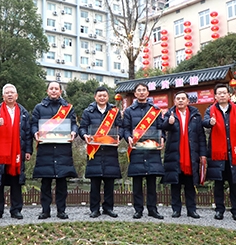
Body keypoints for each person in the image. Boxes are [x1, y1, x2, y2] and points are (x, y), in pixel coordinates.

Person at [0, 84, 32, 221]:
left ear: (16, 96)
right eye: (7, 93)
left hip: (17, 152)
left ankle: (16, 210)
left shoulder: (23, 112)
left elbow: (27, 133)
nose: (10, 95)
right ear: (3, 96)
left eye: (12, 93)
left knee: (16, 182)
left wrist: (28, 150)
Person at [202, 83, 236, 221]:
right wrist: (209, 122)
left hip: (234, 152)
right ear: (215, 96)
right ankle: (219, 210)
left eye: (224, 93)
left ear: (229, 95)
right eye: (219, 93)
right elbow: (204, 122)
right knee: (218, 183)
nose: (222, 95)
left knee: (234, 183)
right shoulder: (210, 109)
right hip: (218, 153)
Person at [31, 81, 78, 219]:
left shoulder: (68, 108)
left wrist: (74, 132)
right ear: (47, 91)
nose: (53, 91)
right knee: (45, 183)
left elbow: (74, 124)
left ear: (60, 91)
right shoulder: (39, 108)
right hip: (45, 149)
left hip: (63, 150)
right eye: (51, 88)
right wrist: (35, 133)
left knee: (62, 183)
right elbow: (33, 124)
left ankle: (61, 211)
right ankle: (45, 211)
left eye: (56, 89)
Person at [161, 91, 207, 218]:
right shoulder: (170, 114)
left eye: (183, 98)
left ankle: (191, 210)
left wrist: (203, 154)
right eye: (178, 99)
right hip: (175, 154)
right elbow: (162, 127)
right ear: (175, 101)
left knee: (190, 184)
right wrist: (169, 123)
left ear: (188, 101)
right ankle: (176, 210)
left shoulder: (195, 115)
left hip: (191, 154)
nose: (180, 101)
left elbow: (201, 136)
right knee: (175, 184)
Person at [122, 83, 165, 219]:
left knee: (152, 182)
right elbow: (125, 129)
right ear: (135, 94)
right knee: (137, 182)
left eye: (143, 90)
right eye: (138, 90)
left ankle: (153, 209)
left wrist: (162, 138)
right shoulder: (129, 111)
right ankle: (138, 210)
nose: (141, 92)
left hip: (152, 149)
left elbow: (161, 128)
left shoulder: (155, 110)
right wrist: (128, 137)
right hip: (136, 150)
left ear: (148, 93)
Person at [78, 86, 122, 218]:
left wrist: (119, 136)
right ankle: (94, 209)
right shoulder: (88, 112)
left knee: (109, 182)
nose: (102, 98)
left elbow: (121, 127)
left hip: (110, 150)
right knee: (95, 183)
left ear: (108, 97)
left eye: (104, 95)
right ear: (95, 97)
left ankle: (108, 208)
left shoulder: (114, 111)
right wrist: (84, 135)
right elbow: (82, 128)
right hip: (94, 151)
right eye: (99, 96)